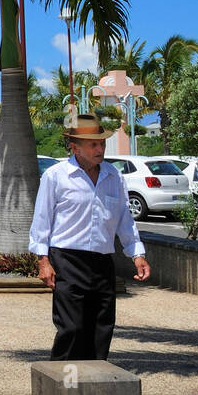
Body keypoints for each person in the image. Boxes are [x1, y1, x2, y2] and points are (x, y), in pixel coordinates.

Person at [29, 113, 151, 361]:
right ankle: (63, 385)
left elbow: (124, 218)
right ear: (75, 147)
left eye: (102, 144)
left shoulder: (113, 176)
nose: (100, 149)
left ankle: (94, 387)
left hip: (103, 261)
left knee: (102, 327)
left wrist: (137, 253)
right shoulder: (55, 176)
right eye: (93, 144)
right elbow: (42, 221)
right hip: (67, 259)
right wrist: (43, 261)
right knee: (72, 328)